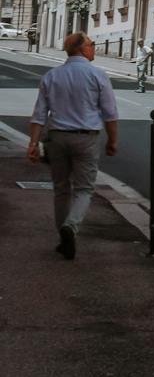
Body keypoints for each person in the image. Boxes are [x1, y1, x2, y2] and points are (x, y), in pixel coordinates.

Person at [26, 31, 120, 260]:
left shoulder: (52, 75)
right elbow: (110, 113)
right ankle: (71, 226)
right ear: (82, 48)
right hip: (86, 138)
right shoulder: (97, 75)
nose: (93, 48)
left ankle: (63, 238)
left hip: (57, 137)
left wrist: (33, 143)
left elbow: (39, 114)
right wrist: (113, 141)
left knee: (61, 188)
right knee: (85, 189)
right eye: (91, 44)